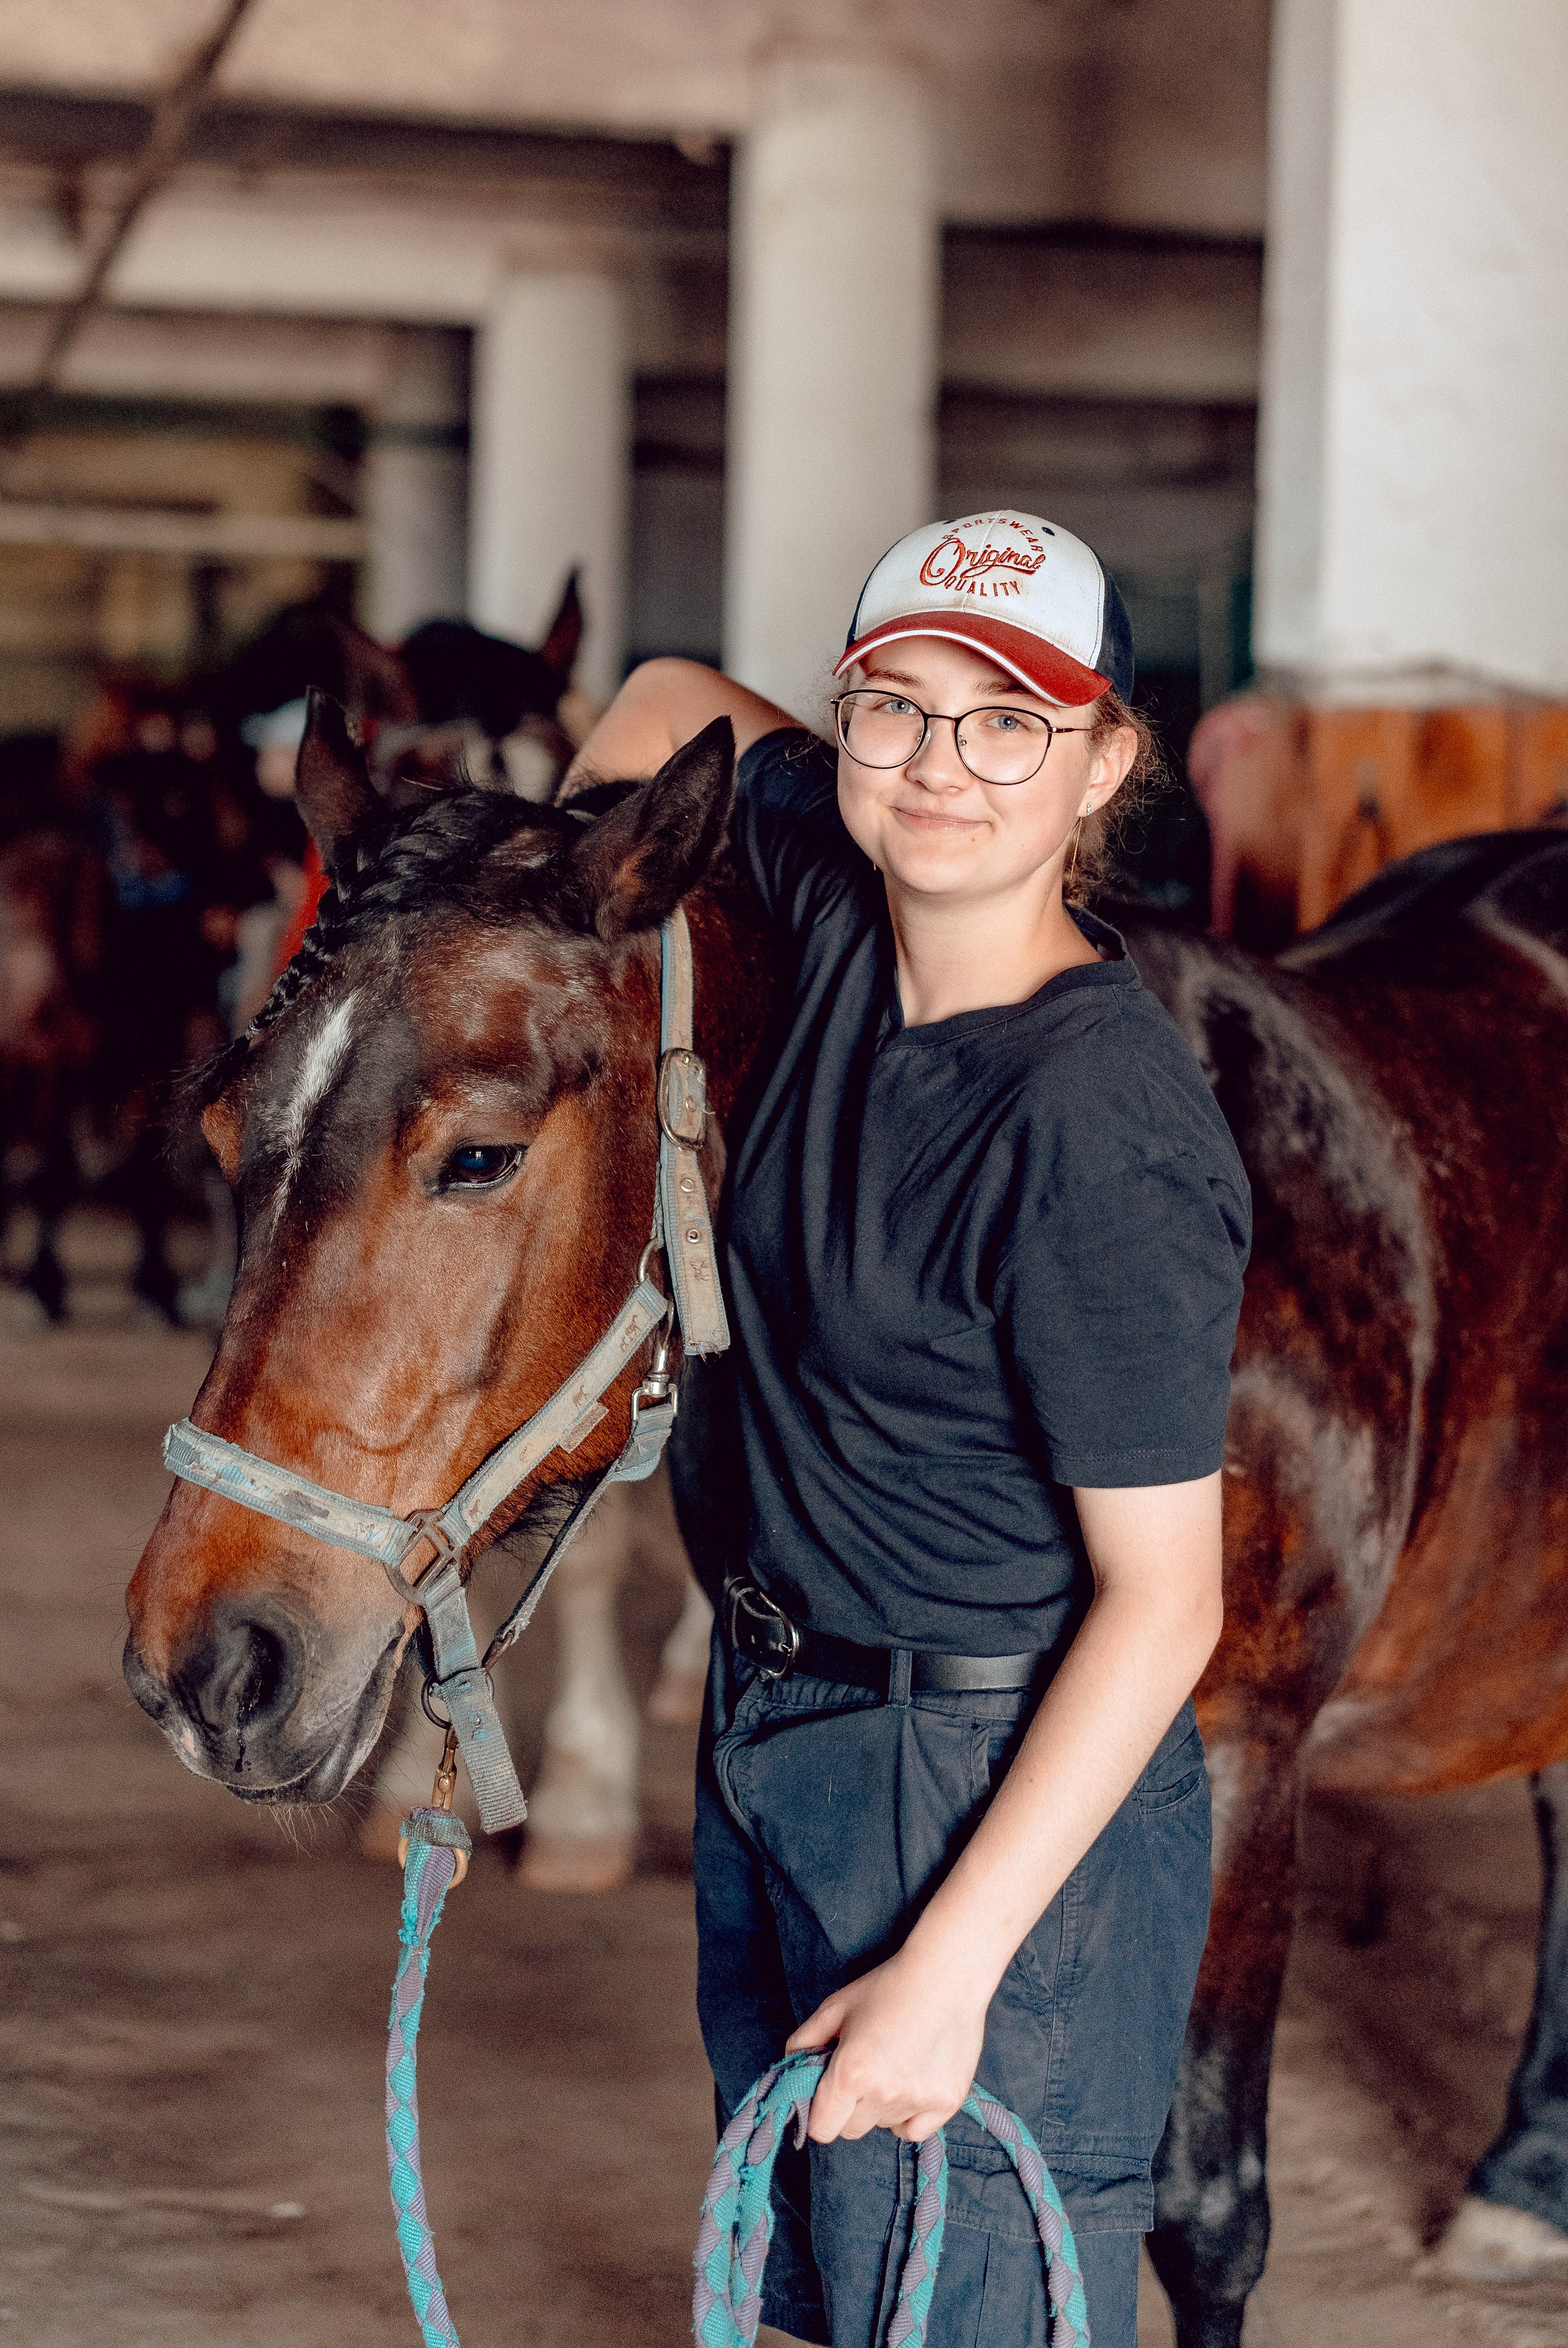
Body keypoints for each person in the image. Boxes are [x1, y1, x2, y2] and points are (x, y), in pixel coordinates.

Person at [563, 510, 1250, 2348]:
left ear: (1107, 759)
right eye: (898, 707)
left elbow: (1165, 1603)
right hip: (787, 1722)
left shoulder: (1097, 1126)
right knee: (850, 2295)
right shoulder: (833, 892)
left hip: (988, 1784)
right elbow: (653, 706)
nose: (945, 765)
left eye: (1012, 721)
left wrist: (953, 1967)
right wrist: (567, 926)